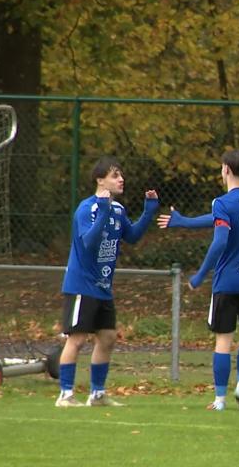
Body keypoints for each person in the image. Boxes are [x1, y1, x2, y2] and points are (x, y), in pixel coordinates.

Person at [160, 150, 239, 412]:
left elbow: (220, 240)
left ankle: (219, 400)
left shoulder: (222, 202)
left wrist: (199, 275)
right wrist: (184, 222)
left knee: (223, 340)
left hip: (228, 282)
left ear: (226, 169)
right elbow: (220, 221)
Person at [56, 156, 158, 407]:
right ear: (100, 180)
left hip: (102, 286)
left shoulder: (118, 210)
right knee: (77, 339)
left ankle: (97, 394)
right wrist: (102, 211)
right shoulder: (87, 208)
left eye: (121, 175)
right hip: (81, 284)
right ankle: (65, 394)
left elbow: (132, 236)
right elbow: (89, 242)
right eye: (114, 175)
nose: (121, 179)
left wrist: (149, 211)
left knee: (108, 337)